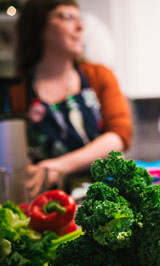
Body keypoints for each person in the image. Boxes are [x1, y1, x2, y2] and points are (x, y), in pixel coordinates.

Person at [8, 0, 132, 197]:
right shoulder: (16, 89)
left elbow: (119, 136)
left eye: (79, 19)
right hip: (48, 203)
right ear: (39, 26)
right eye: (67, 17)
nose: (80, 26)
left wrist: (61, 165)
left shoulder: (99, 75)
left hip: (108, 196)